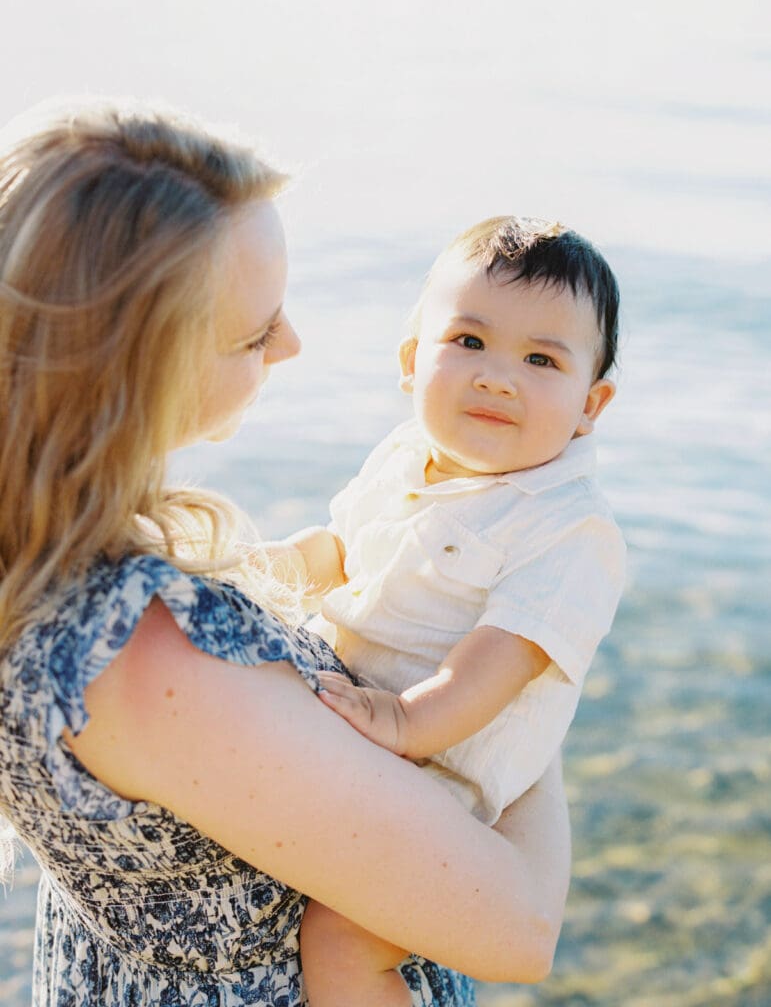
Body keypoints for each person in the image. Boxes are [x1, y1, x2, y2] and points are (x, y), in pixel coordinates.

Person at [0, 99, 572, 1007]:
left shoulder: (37, 550)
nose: (293, 344)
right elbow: (518, 928)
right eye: (254, 333)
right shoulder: (147, 655)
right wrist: (528, 677)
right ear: (137, 368)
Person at [271, 217, 626, 1005]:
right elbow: (339, 545)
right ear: (411, 362)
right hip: (363, 724)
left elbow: (501, 658)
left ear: (588, 404)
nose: (497, 376)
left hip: (442, 775)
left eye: (540, 359)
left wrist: (406, 720)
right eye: (468, 342)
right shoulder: (402, 457)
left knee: (343, 937)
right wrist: (265, 569)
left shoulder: (569, 527)